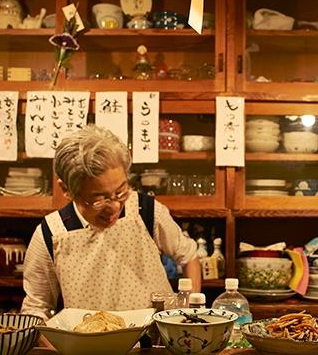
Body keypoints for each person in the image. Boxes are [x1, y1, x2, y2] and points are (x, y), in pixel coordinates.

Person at [21, 126, 201, 321]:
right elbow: (36, 308)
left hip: (156, 344)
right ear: (66, 189)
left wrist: (188, 317)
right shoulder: (51, 233)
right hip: (90, 347)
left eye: (121, 191)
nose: (114, 207)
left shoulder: (145, 210)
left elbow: (188, 256)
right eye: (99, 199)